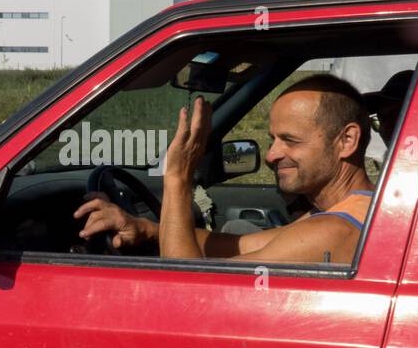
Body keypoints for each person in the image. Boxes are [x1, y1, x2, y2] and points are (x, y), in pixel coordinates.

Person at [74, 75, 374, 265]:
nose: (271, 155)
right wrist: (147, 229)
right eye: (273, 140)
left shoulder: (333, 231)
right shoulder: (348, 210)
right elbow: (236, 245)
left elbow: (187, 290)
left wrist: (178, 177)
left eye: (290, 141)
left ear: (346, 140)